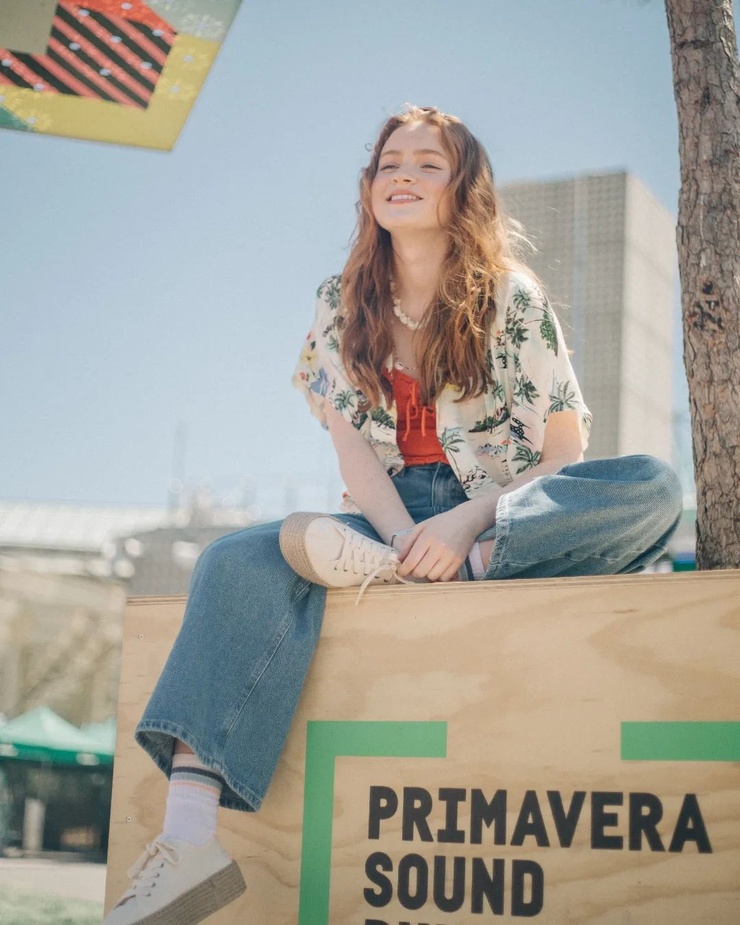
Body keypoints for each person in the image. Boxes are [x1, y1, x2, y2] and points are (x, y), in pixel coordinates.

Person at [104, 106, 682, 925]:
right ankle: (191, 842)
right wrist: (406, 538)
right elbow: (352, 451)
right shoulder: (338, 304)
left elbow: (564, 454)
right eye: (388, 163)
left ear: (463, 190)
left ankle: (463, 569)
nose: (403, 173)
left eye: (428, 163)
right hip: (382, 519)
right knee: (232, 561)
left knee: (653, 487)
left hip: (504, 512)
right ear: (369, 188)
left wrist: (468, 527)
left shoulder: (513, 299)